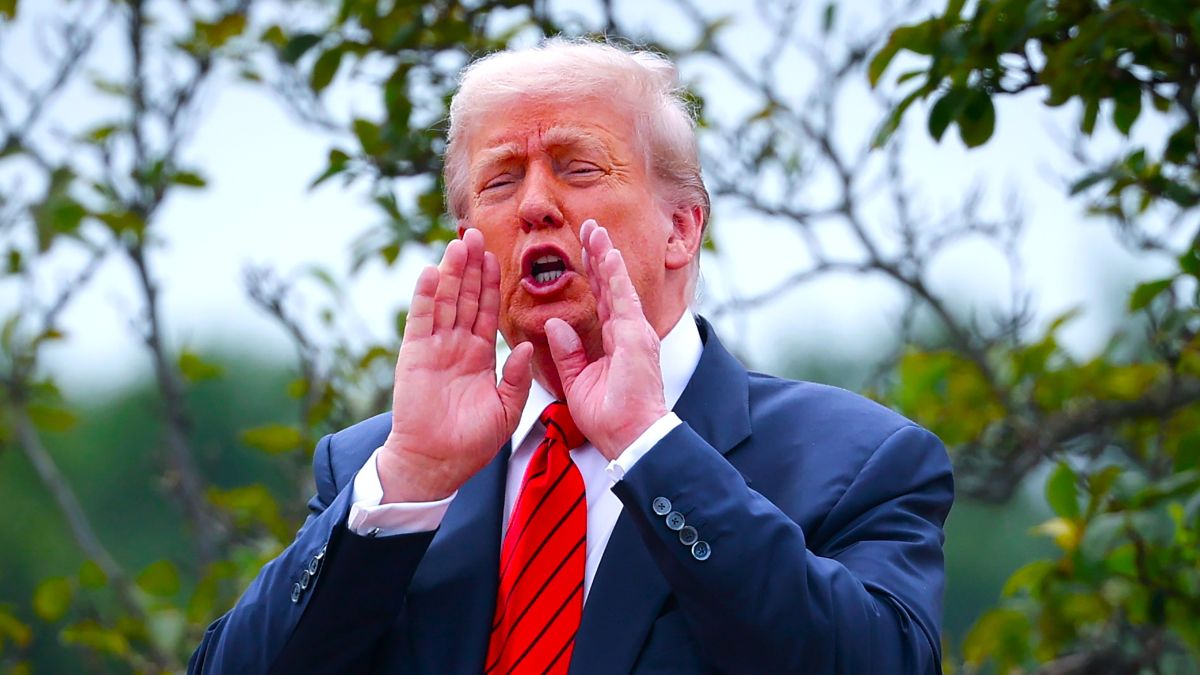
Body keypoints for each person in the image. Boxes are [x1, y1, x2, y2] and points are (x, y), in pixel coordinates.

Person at [189, 38, 953, 674]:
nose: (534, 205)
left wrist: (651, 446)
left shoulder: (860, 461)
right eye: (501, 179)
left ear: (681, 228)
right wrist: (410, 477)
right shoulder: (379, 474)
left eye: (579, 167)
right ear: (466, 239)